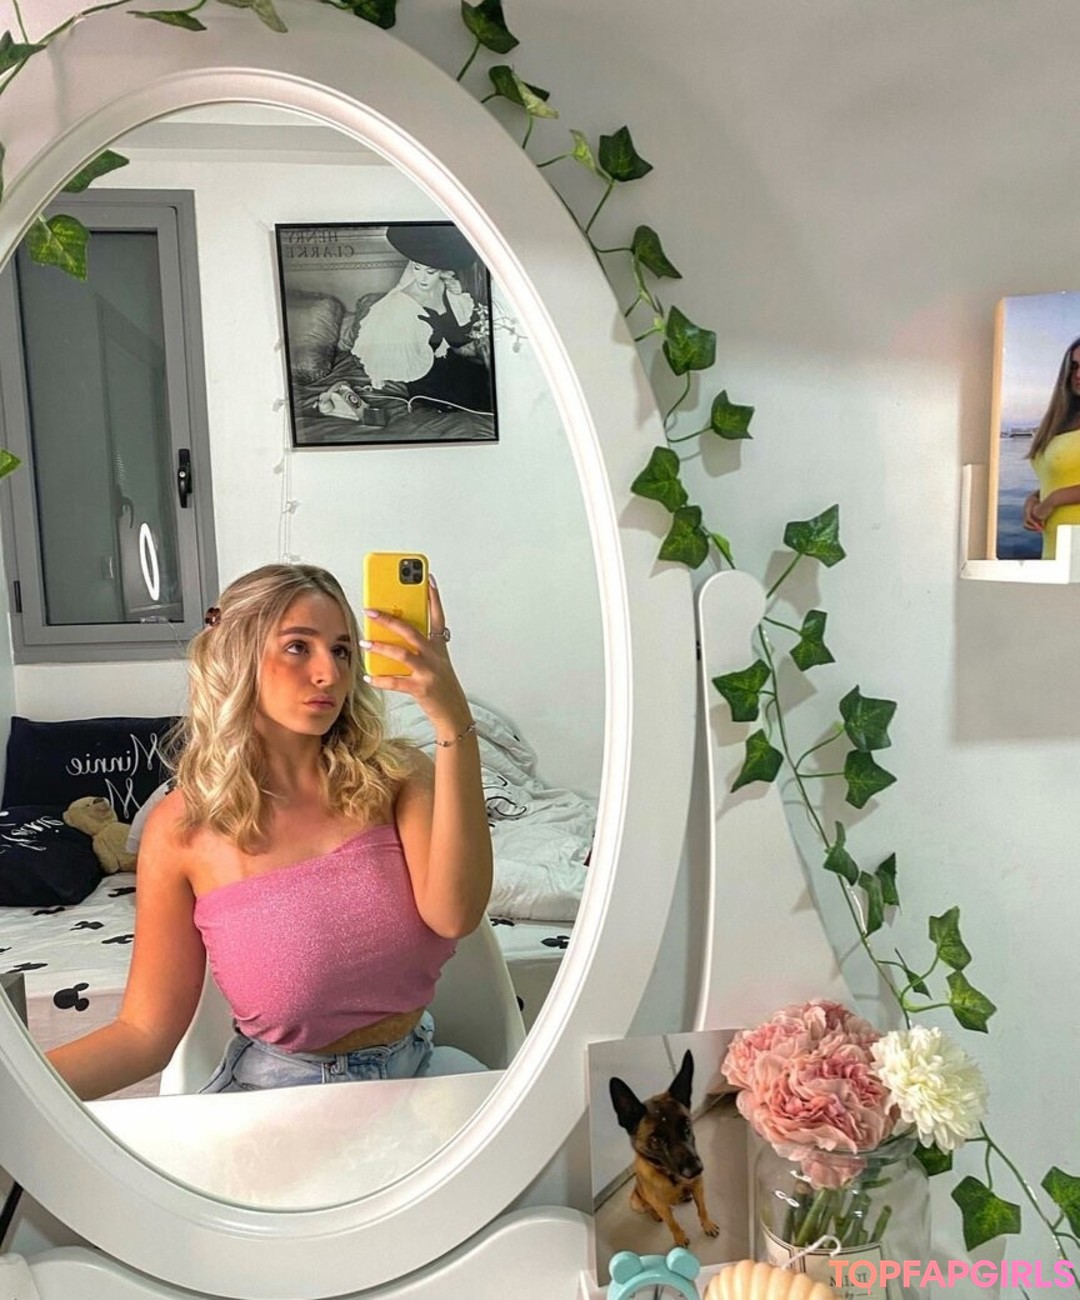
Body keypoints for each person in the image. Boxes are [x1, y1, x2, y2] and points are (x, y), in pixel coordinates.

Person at [47, 563, 492, 1099]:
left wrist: (452, 721)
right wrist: (16, 1089)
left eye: (342, 650)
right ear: (238, 657)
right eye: (298, 647)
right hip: (279, 1098)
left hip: (418, 1073)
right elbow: (144, 1034)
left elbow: (454, 914)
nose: (328, 673)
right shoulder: (183, 827)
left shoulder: (398, 777)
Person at [349, 224, 493, 414]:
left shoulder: (448, 290)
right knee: (483, 400)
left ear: (441, 271)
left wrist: (460, 294)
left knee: (493, 385)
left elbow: (460, 340)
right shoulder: (398, 305)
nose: (422, 278)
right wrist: (378, 372)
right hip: (426, 377)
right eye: (417, 268)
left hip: (453, 365)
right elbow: (378, 351)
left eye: (430, 272)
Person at [1023, 337, 1080, 559]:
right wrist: (1035, 498)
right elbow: (1063, 477)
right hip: (1056, 550)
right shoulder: (1062, 421)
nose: (1078, 374)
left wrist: (1054, 499)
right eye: (1074, 366)